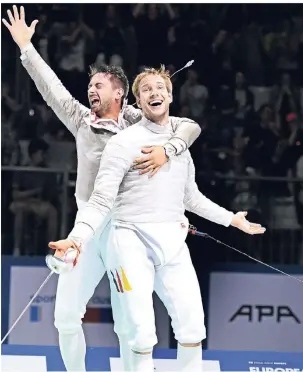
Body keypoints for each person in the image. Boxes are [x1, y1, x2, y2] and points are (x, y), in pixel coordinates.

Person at [2, 6, 201, 372]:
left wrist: (167, 150)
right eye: (90, 86)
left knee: (129, 323)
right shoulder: (81, 120)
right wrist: (27, 49)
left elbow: (188, 126)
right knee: (64, 317)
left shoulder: (142, 121)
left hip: (129, 229)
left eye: (98, 85)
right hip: (89, 228)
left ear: (120, 92)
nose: (90, 90)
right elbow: (52, 90)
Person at [49, 65, 266, 372]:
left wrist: (231, 219)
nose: (155, 93)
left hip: (173, 244)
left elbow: (191, 197)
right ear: (136, 101)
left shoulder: (180, 146)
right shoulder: (122, 143)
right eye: (147, 89)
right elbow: (100, 200)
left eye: (160, 88)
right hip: (130, 244)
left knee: (192, 328)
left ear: (170, 96)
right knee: (140, 331)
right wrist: (78, 237)